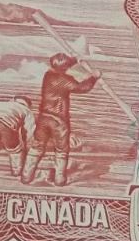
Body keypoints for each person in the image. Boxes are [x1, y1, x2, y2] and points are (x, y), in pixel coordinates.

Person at [26, 53, 100, 185]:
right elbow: (82, 88)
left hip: (43, 119)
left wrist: (74, 60)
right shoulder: (66, 80)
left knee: (36, 147)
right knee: (61, 151)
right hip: (59, 121)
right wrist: (94, 77)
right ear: (65, 67)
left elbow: (62, 66)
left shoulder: (47, 76)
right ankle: (59, 180)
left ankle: (26, 177)